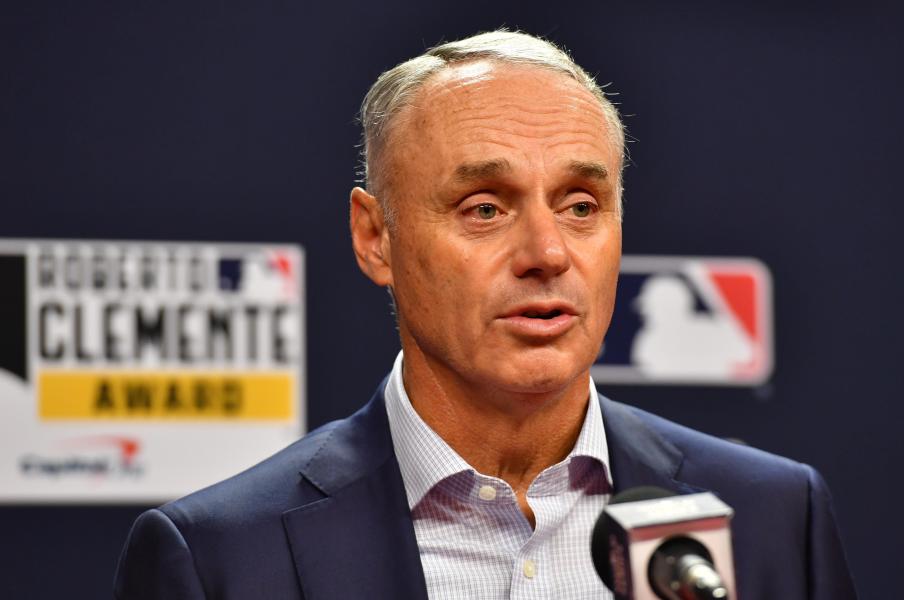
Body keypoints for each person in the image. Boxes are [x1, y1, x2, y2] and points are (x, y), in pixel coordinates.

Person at [114, 31, 857, 599]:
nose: (547, 252)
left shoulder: (769, 518)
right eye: (485, 208)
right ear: (376, 238)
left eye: (580, 206)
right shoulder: (220, 559)